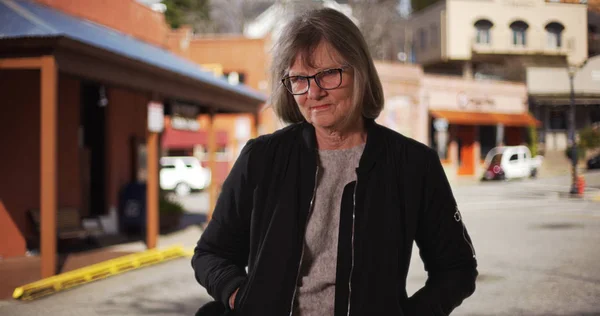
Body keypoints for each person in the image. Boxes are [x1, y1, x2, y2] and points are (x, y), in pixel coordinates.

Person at [192, 8, 477, 316]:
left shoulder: (412, 164)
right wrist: (240, 296)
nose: (314, 92)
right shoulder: (262, 159)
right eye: (299, 79)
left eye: (329, 74)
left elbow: (457, 269)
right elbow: (212, 253)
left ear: (360, 72)